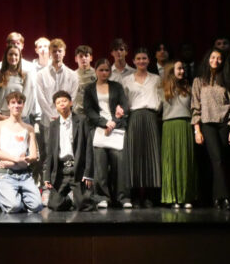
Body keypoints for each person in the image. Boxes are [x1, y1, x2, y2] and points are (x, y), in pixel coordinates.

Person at [191, 48, 230, 209]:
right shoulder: (199, 81)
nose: (216, 61)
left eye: (219, 58)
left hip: (225, 124)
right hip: (207, 124)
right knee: (217, 159)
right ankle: (225, 197)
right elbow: (195, 106)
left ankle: (217, 198)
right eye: (213, 57)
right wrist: (197, 130)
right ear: (208, 59)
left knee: (222, 160)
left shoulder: (227, 79)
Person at [84, 58, 129, 209]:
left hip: (116, 129)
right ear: (96, 71)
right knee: (100, 165)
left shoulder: (117, 86)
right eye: (101, 70)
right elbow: (89, 110)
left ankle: (122, 197)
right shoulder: (89, 89)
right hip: (99, 130)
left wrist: (114, 121)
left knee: (119, 164)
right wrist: (104, 122)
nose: (104, 73)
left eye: (107, 70)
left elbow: (124, 106)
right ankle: (102, 197)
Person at [121, 48, 163, 207]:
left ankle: (150, 196)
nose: (141, 61)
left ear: (149, 60)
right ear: (133, 61)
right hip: (134, 117)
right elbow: (124, 101)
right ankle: (136, 196)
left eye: (144, 58)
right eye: (138, 58)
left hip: (151, 117)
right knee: (135, 156)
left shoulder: (156, 79)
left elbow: (161, 99)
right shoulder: (126, 80)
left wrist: (155, 112)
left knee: (151, 155)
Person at [0, 91, 41, 213]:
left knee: (37, 206)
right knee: (14, 207)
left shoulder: (29, 128)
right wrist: (17, 159)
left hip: (24, 174)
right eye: (13, 102)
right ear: (8, 105)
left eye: (19, 102)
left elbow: (34, 155)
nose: (16, 105)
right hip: (5, 173)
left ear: (23, 105)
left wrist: (15, 161)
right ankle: (4, 196)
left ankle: (16, 195)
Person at [42, 90, 92, 211]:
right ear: (56, 106)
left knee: (84, 206)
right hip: (61, 171)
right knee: (55, 205)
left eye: (64, 101)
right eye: (58, 102)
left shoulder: (82, 120)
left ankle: (81, 198)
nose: (62, 104)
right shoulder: (53, 125)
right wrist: (47, 176)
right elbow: (50, 152)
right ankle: (69, 200)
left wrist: (88, 173)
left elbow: (89, 147)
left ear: (70, 103)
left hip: (77, 169)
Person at [160, 60, 198, 209]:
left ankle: (186, 196)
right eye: (179, 68)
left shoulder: (188, 87)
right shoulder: (161, 89)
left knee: (185, 161)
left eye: (183, 68)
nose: (182, 71)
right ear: (171, 71)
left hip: (185, 125)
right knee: (170, 162)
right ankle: (173, 197)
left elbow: (194, 109)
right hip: (169, 127)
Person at [35, 39, 79, 154]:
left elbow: (73, 98)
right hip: (48, 121)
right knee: (50, 153)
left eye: (60, 51)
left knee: (67, 152)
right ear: (50, 52)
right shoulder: (41, 75)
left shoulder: (72, 75)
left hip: (67, 120)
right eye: (54, 51)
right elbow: (41, 99)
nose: (57, 54)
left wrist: (63, 115)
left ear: (64, 52)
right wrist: (52, 116)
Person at [0, 46, 36, 124]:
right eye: (10, 54)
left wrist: (17, 117)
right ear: (6, 56)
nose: (13, 57)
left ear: (20, 57)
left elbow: (28, 100)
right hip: (2, 118)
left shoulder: (26, 75)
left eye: (16, 55)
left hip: (20, 120)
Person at [73, 45, 96, 116]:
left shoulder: (97, 74)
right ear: (76, 59)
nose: (84, 58)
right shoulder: (72, 75)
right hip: (77, 113)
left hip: (94, 113)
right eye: (81, 56)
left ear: (91, 58)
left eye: (86, 56)